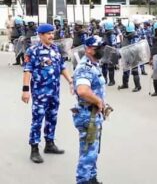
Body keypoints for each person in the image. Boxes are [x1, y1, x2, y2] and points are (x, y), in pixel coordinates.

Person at [21, 24, 73, 164]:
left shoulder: (55, 49)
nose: (51, 36)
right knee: (37, 120)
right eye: (48, 34)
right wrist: (25, 90)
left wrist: (70, 81)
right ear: (40, 35)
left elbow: (62, 67)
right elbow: (27, 70)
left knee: (52, 117)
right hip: (40, 93)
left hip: (54, 92)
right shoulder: (33, 51)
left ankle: (49, 144)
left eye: (52, 33)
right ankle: (34, 149)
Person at [72, 35, 106, 184]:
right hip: (87, 115)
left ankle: (92, 178)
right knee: (88, 152)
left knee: (93, 150)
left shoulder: (94, 65)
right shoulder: (85, 68)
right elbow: (83, 91)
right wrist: (98, 101)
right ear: (89, 50)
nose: (102, 50)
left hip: (93, 114)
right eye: (98, 48)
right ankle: (83, 181)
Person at [118, 22, 142, 92]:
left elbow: (137, 47)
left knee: (135, 71)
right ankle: (125, 84)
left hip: (134, 56)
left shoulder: (136, 37)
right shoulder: (125, 35)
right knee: (125, 70)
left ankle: (138, 86)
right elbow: (123, 45)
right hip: (127, 55)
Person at [101, 20, 118, 86]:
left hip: (111, 51)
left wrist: (113, 55)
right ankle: (105, 79)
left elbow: (113, 45)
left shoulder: (112, 34)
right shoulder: (106, 33)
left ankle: (112, 81)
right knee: (104, 66)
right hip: (105, 51)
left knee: (111, 67)